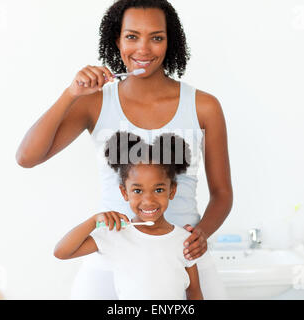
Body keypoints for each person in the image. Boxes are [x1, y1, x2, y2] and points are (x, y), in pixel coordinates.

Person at [16, 0, 233, 299]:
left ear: (170, 42)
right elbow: (26, 157)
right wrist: (71, 94)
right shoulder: (94, 102)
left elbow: (222, 194)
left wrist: (202, 234)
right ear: (116, 40)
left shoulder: (204, 105)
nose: (143, 49)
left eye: (156, 37)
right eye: (132, 36)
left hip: (182, 256)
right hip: (111, 258)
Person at [54, 131, 203, 300]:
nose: (148, 201)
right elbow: (62, 252)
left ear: (172, 190)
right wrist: (94, 221)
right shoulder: (116, 234)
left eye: (158, 190)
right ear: (124, 193)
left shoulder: (184, 240)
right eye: (137, 190)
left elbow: (194, 292)